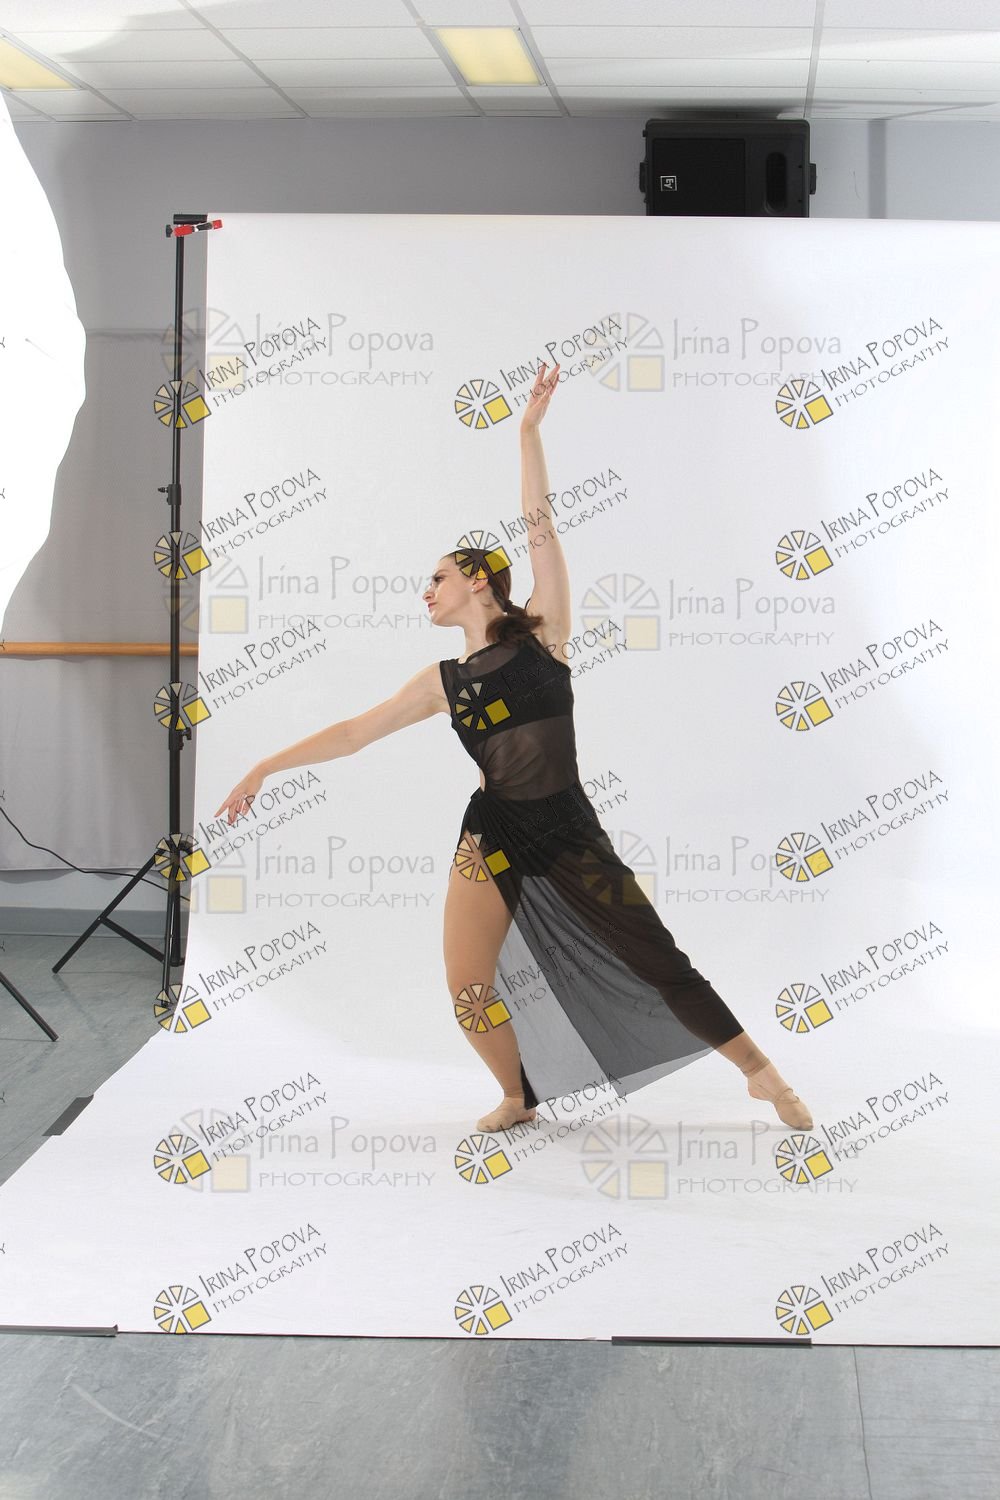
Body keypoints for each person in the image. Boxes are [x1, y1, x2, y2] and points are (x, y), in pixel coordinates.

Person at [216, 361, 813, 1137]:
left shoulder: (545, 633)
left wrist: (527, 433)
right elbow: (357, 732)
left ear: (476, 579)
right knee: (468, 987)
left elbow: (540, 527)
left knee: (657, 957)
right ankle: (516, 1094)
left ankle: (761, 1073)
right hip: (490, 834)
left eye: (436, 578)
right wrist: (265, 765)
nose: (426, 591)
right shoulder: (440, 681)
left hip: (566, 828)